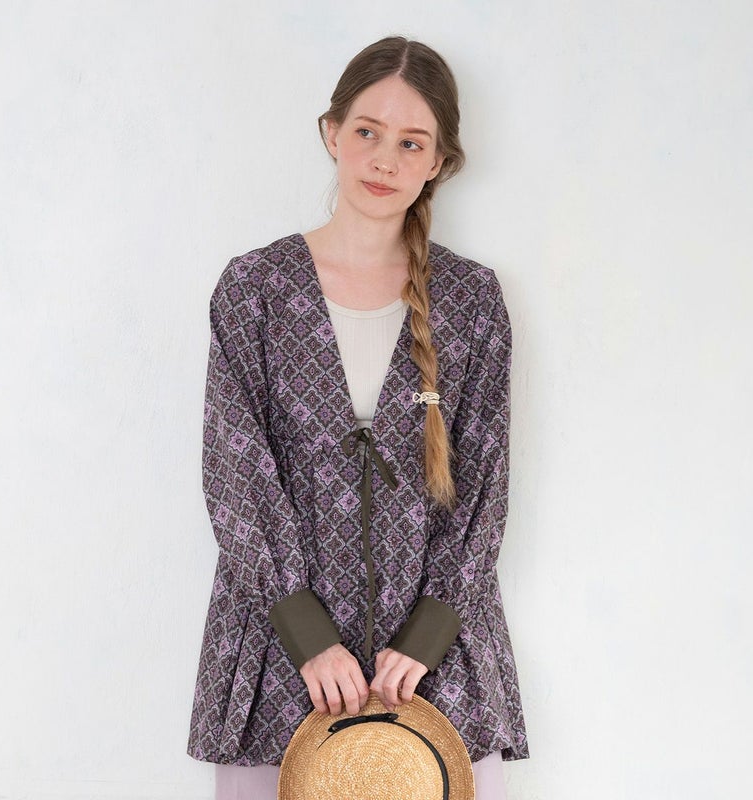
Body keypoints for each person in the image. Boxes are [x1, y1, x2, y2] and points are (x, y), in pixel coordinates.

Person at [187, 35, 530, 799]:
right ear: (331, 132)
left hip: (439, 672)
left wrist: (428, 635)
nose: (384, 160)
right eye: (368, 131)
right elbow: (236, 474)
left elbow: (484, 487)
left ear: (438, 162)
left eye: (412, 142)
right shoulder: (256, 290)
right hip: (276, 662)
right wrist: (308, 636)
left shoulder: (472, 302)